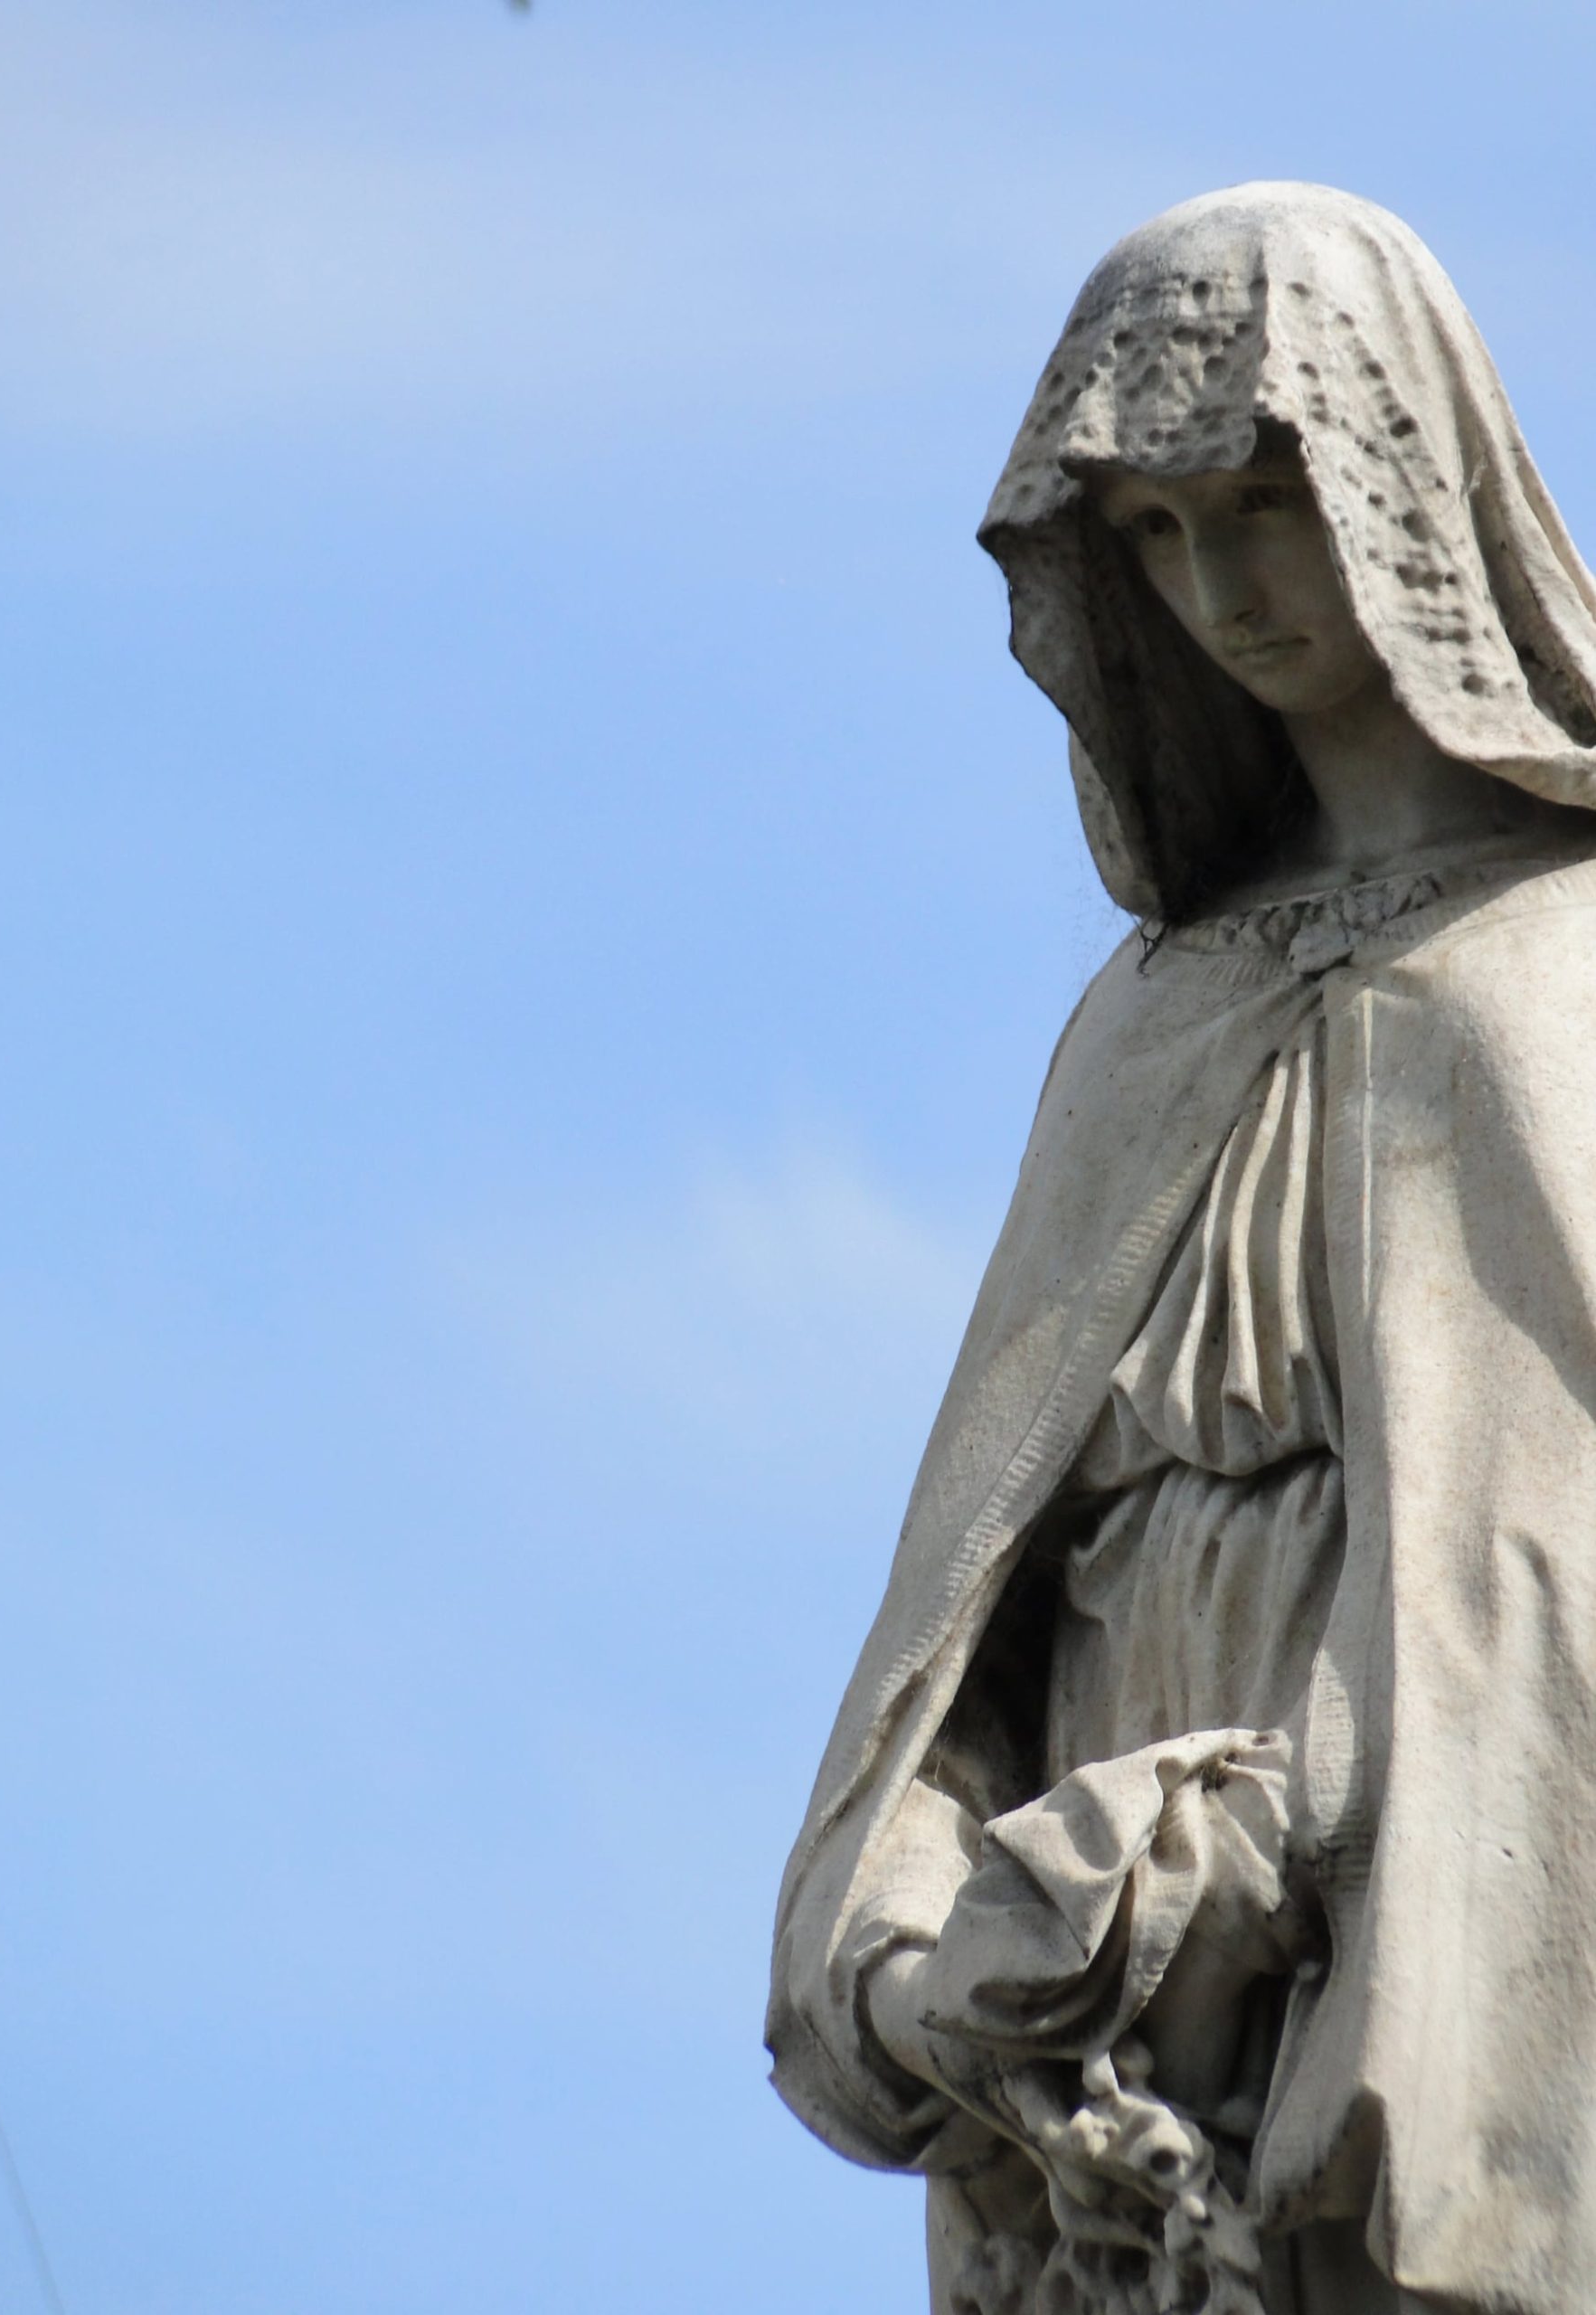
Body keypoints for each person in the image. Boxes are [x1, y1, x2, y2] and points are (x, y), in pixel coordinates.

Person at [765, 182, 1596, 2315]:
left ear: (1404, 487)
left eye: (1266, 502)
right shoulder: (1152, 1024)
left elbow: (1541, 1573)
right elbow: (978, 1618)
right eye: (1154, 532)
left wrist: (1270, 1839)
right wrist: (927, 1938)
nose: (1223, 587)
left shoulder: (1568, 967)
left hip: (1399, 1947)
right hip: (1109, 2063)